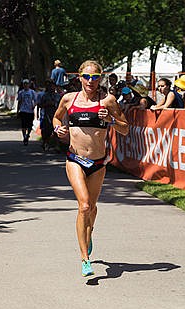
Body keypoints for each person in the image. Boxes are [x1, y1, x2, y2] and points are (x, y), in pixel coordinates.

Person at [53, 60, 129, 277]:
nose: (91, 81)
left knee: (93, 207)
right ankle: (85, 258)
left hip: (98, 162)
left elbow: (125, 129)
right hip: (75, 159)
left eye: (95, 77)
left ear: (100, 78)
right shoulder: (69, 99)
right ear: (79, 77)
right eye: (86, 77)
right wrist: (59, 129)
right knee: (84, 205)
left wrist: (112, 120)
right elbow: (57, 118)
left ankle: (89, 232)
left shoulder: (108, 101)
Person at [36, 79, 61, 151]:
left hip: (55, 116)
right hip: (46, 116)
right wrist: (46, 104)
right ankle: (45, 143)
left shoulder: (58, 96)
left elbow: (61, 106)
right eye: (50, 86)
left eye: (53, 86)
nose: (51, 87)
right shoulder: (44, 95)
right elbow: (40, 105)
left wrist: (54, 104)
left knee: (56, 130)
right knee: (46, 131)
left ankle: (57, 145)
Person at [17, 79, 37, 145]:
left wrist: (34, 105)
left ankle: (28, 134)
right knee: (23, 125)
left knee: (30, 125)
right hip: (23, 110)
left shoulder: (32, 92)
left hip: (30, 111)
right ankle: (24, 136)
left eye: (27, 84)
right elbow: (19, 102)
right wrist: (18, 111)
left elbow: (36, 100)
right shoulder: (21, 92)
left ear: (29, 84)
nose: (26, 85)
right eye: (24, 84)